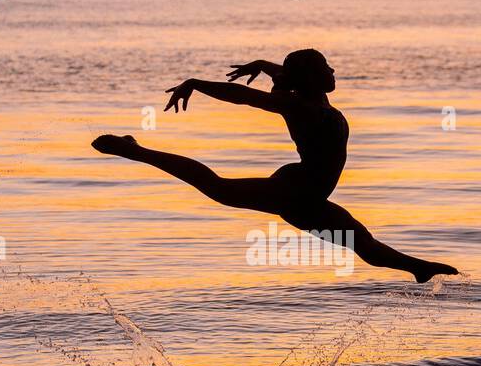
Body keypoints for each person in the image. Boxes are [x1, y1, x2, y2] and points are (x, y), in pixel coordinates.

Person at [92, 49, 459, 283]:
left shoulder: (311, 99)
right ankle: (134, 150)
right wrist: (196, 84)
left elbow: (283, 79)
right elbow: (241, 96)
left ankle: (419, 268)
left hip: (310, 198)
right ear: (313, 78)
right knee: (217, 188)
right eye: (326, 67)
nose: (333, 70)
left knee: (364, 245)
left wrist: (264, 65)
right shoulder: (299, 106)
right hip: (295, 192)